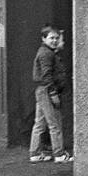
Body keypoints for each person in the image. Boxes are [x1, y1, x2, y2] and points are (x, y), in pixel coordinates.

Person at [29, 25, 73, 164]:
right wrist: (53, 94)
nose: (54, 40)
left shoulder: (47, 52)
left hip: (42, 91)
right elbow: (47, 76)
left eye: (56, 38)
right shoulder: (46, 54)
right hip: (47, 92)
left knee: (40, 124)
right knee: (55, 124)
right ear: (43, 38)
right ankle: (59, 154)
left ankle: (35, 153)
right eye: (51, 38)